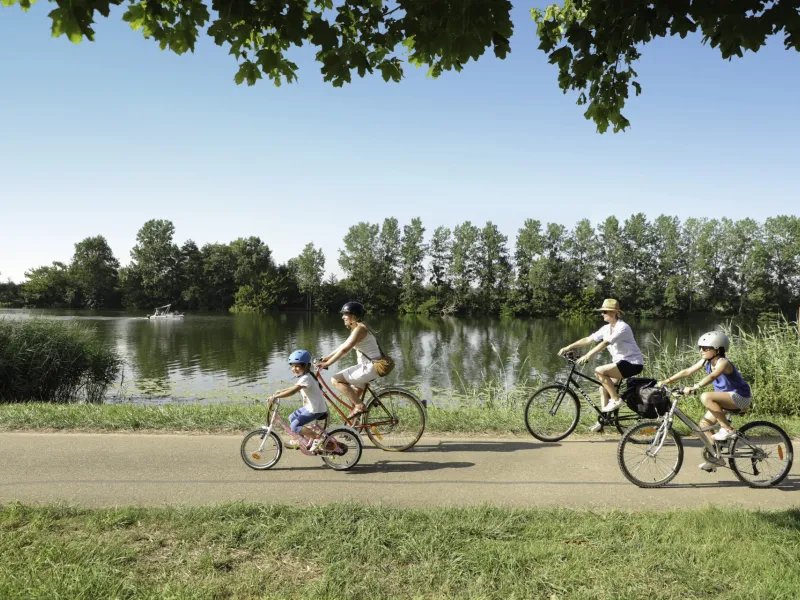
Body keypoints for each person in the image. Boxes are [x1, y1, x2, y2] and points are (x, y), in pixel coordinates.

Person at [656, 331, 752, 472]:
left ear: (718, 350)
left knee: (706, 396)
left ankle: (727, 429)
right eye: (700, 347)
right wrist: (667, 380)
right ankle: (716, 457)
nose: (701, 350)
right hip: (726, 399)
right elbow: (687, 371)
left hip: (741, 398)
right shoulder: (706, 361)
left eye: (706, 348)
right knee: (703, 424)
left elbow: (713, 376)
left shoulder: (723, 363)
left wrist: (696, 387)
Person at [557, 298, 645, 431]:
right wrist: (569, 346)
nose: (602, 314)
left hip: (633, 363)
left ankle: (616, 399)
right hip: (621, 363)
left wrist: (588, 356)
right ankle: (604, 421)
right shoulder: (606, 328)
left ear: (614, 312)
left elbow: (605, 343)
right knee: (602, 388)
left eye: (605, 311)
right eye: (602, 311)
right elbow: (588, 339)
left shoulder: (622, 327)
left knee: (599, 371)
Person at [318, 301, 381, 420]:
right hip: (369, 367)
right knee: (353, 397)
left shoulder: (360, 329)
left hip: (369, 367)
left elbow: (345, 350)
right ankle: (351, 429)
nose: (343, 317)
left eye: (345, 314)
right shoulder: (359, 327)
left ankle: (359, 406)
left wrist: (327, 364)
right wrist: (327, 357)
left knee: (336, 380)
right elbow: (343, 345)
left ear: (354, 315)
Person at [267, 350, 328, 452]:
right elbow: (294, 387)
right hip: (312, 406)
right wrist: (280, 391)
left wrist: (275, 397)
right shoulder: (306, 376)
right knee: (292, 417)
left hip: (316, 409)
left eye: (297, 366)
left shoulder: (306, 378)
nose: (294, 369)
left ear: (307, 366)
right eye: (292, 366)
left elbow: (293, 392)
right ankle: (302, 439)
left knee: (294, 426)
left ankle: (318, 438)